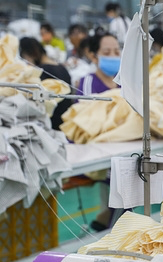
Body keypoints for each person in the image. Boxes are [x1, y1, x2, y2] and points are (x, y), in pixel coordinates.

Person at [76, 33, 121, 232]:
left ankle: (112, 221)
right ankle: (113, 224)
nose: (113, 56)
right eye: (106, 52)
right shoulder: (88, 82)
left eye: (117, 51)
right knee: (124, 175)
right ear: (93, 56)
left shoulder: (124, 82)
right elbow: (85, 120)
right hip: (94, 149)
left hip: (121, 146)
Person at [19, 37, 73, 130]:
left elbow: (39, 100)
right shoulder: (62, 68)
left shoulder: (41, 72)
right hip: (66, 121)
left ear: (30, 54)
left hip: (52, 123)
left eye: (25, 58)